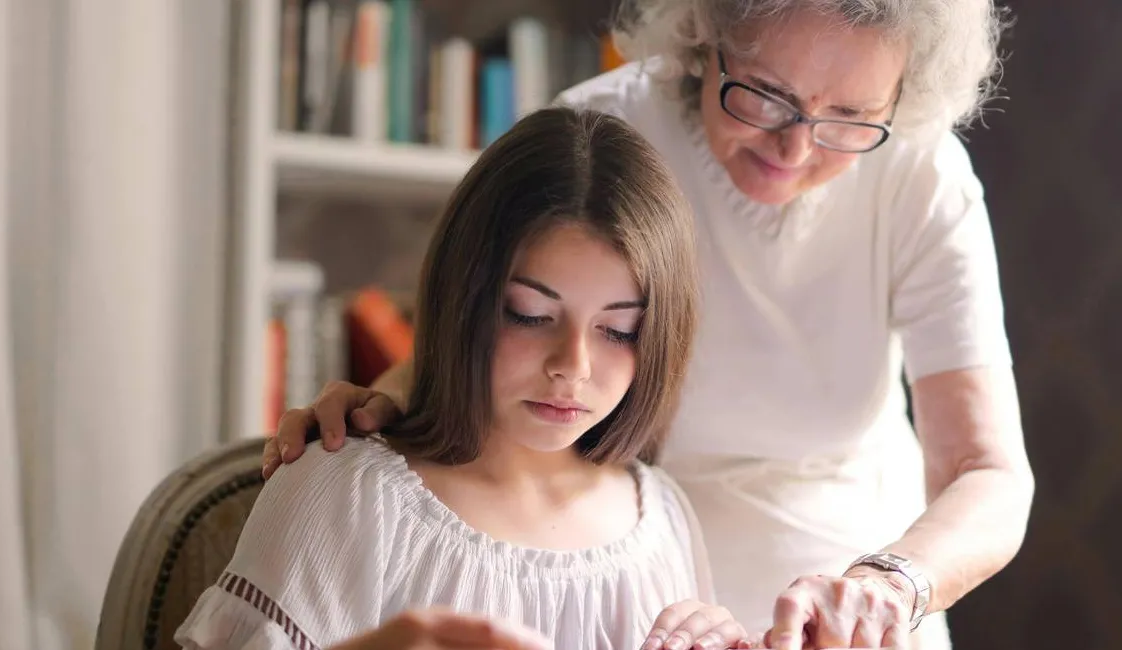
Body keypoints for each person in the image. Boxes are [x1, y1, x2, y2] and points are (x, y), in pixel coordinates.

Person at [268, 1, 1036, 649]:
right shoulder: (599, 136)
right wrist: (388, 397)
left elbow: (989, 473)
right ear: (705, 38)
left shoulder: (921, 176)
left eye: (850, 118)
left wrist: (893, 583)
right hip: (632, 578)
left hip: (849, 604)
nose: (795, 147)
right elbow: (494, 322)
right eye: (765, 95)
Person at [176, 107, 751, 650]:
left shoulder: (663, 520)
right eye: (530, 315)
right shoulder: (349, 497)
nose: (572, 365)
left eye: (620, 329)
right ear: (465, 300)